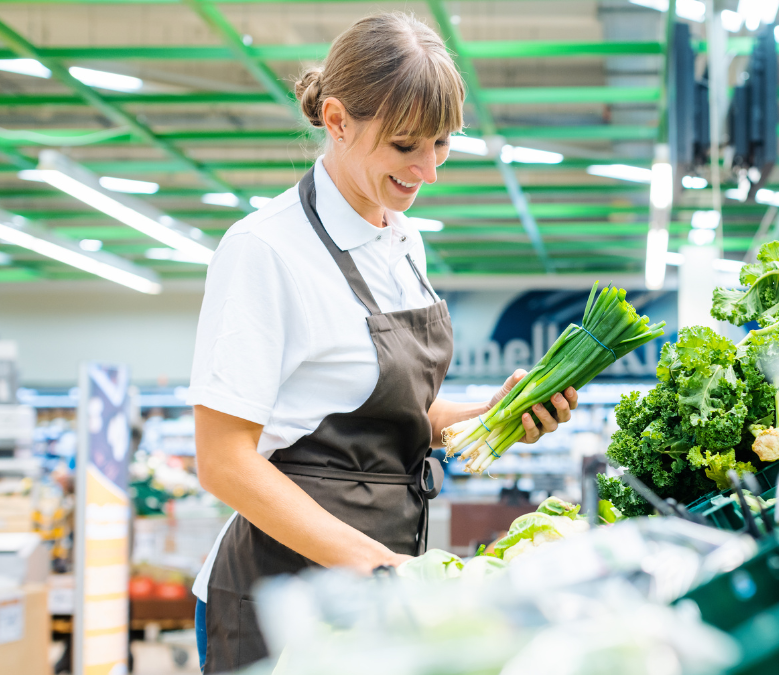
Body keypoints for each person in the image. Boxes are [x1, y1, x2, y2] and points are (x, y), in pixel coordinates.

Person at [186, 14, 578, 673]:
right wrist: (374, 563)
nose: (429, 169)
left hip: (378, 593)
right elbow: (223, 460)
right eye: (405, 146)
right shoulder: (265, 250)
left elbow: (396, 418)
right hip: (280, 597)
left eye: (442, 144)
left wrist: (497, 414)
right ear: (337, 120)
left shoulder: (404, 241)